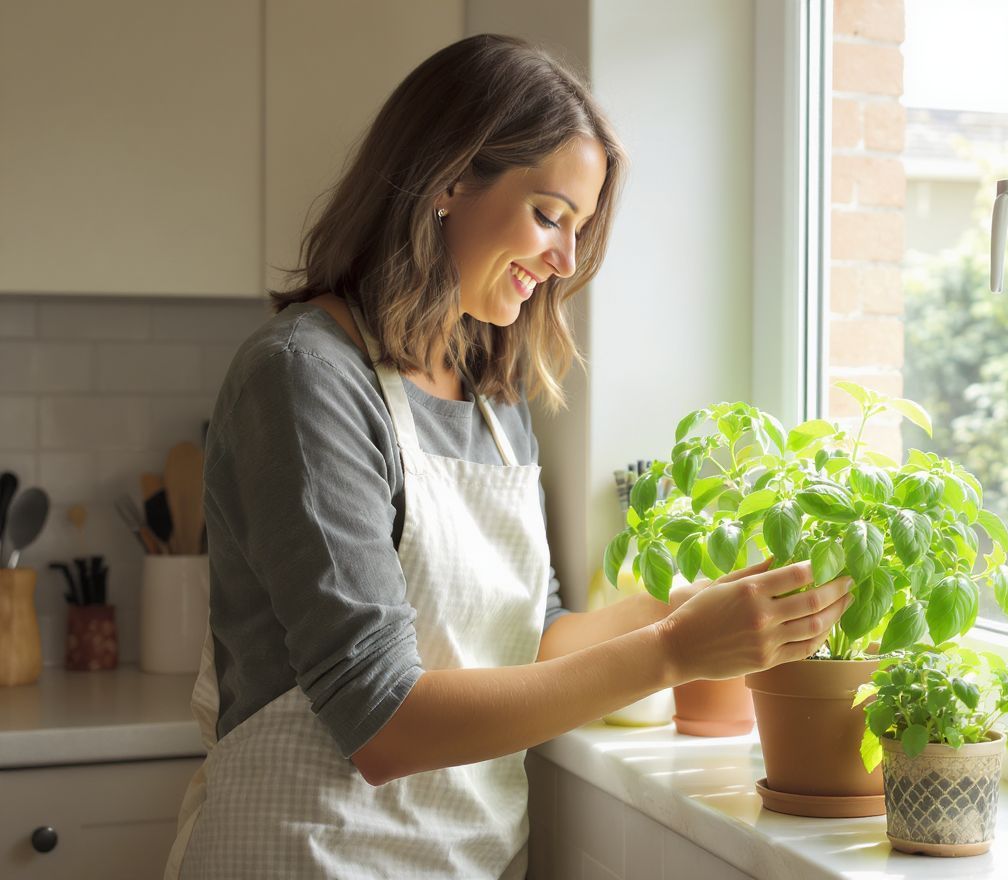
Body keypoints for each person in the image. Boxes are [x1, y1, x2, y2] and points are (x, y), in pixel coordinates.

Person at [164, 33, 854, 879]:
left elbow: (532, 641)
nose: (566, 261)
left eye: (579, 229)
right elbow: (381, 722)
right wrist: (675, 654)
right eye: (550, 216)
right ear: (449, 179)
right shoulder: (304, 377)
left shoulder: (490, 392)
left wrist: (697, 612)